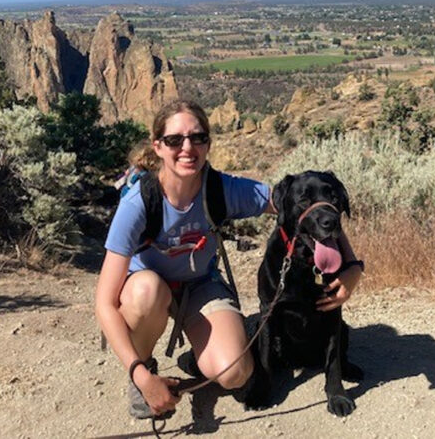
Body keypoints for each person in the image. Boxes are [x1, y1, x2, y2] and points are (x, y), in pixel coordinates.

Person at [94, 99, 360, 419]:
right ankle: (144, 373)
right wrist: (139, 373)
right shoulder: (139, 202)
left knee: (233, 373)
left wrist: (352, 266)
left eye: (198, 138)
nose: (187, 147)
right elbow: (104, 303)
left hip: (201, 286)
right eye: (175, 140)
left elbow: (304, 211)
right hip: (150, 290)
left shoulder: (222, 190)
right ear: (158, 146)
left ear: (208, 143)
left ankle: (196, 358)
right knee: (147, 290)